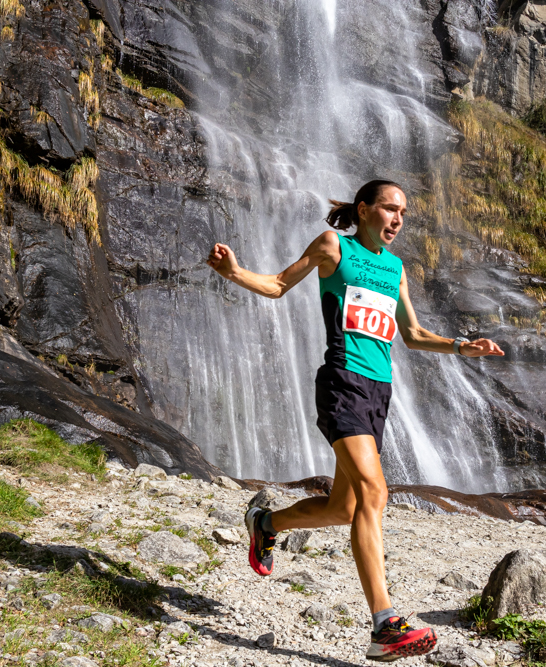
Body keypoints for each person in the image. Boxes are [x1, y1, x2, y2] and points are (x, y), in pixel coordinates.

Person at [206, 180, 505, 662]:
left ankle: (264, 523)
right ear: (364, 210)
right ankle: (385, 623)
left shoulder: (396, 267)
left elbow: (412, 334)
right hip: (342, 381)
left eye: (403, 212)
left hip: (379, 393)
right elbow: (279, 285)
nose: (398, 220)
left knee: (346, 508)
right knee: (375, 493)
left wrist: (459, 346)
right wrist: (235, 272)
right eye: (390, 209)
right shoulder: (333, 247)